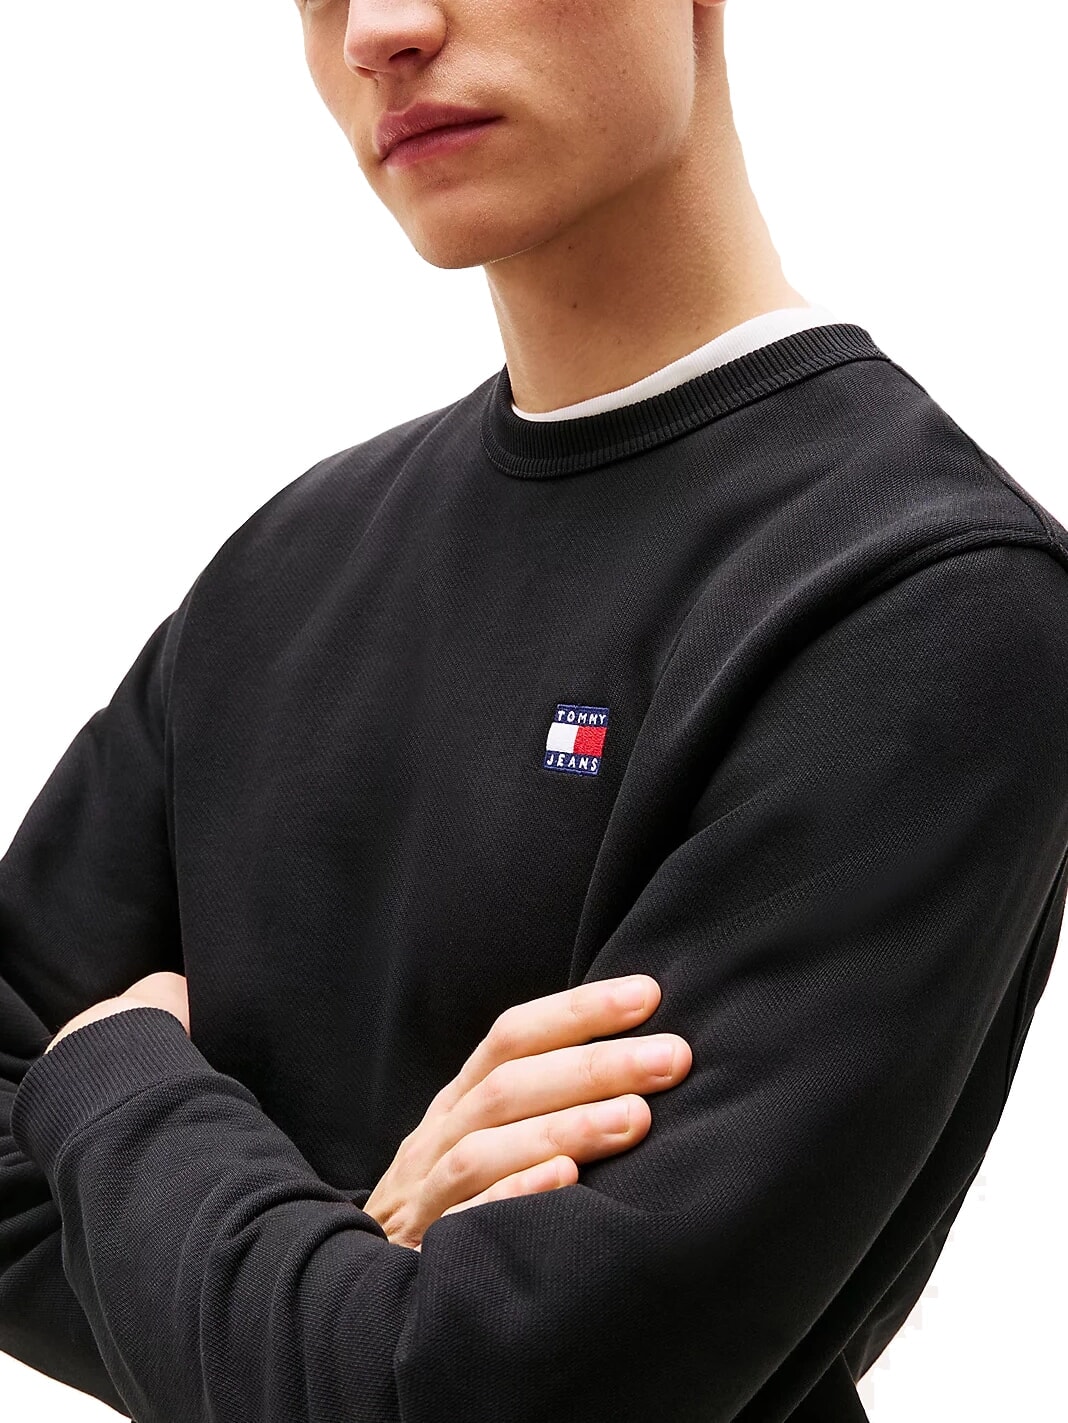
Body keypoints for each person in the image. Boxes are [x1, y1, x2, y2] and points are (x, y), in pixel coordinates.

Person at [2, 2, 1066, 1420]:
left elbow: (469, 1394)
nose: (381, 29)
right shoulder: (289, 563)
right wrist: (332, 1286)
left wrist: (113, 1075)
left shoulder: (924, 601)